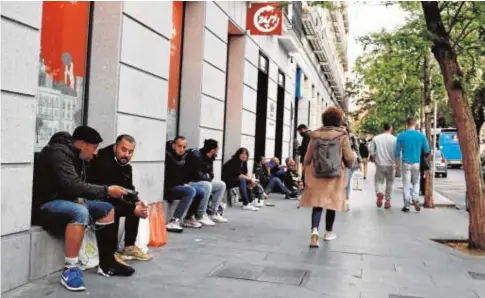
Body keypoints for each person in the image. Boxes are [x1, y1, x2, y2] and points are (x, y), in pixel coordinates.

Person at [32, 126, 134, 292]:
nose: (95, 153)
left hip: (67, 201)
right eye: (93, 148)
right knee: (80, 211)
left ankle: (107, 263)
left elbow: (84, 187)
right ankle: (70, 269)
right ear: (81, 143)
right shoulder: (59, 154)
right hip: (46, 206)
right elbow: (73, 186)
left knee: (106, 208)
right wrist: (107, 190)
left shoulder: (77, 156)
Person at [87, 134, 152, 262]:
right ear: (115, 146)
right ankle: (110, 252)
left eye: (130, 151)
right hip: (96, 198)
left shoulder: (125, 165)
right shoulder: (102, 161)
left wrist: (136, 201)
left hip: (110, 197)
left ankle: (129, 247)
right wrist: (133, 207)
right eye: (123, 150)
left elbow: (129, 188)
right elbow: (107, 192)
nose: (126, 155)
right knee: (115, 207)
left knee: (135, 205)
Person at [299, 107, 356, 248]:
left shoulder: (315, 135)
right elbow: (349, 158)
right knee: (331, 203)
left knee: (318, 203)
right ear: (338, 120)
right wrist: (349, 162)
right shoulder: (342, 136)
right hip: (334, 175)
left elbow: (307, 158)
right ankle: (329, 232)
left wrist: (306, 168)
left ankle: (314, 231)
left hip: (316, 174)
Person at [164, 136, 211, 231]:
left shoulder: (184, 157)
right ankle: (173, 221)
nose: (181, 149)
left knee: (201, 191)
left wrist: (186, 181)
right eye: (179, 146)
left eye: (184, 147)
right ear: (173, 145)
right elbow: (170, 177)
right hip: (169, 188)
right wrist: (183, 183)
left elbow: (187, 174)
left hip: (179, 185)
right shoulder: (168, 156)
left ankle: (189, 218)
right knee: (190, 190)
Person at [185, 139, 228, 224]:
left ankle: (213, 212)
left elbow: (211, 175)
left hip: (202, 181)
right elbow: (196, 175)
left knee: (221, 185)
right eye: (217, 149)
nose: (218, 151)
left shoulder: (210, 158)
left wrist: (206, 177)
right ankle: (201, 215)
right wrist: (206, 177)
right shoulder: (196, 156)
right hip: (191, 182)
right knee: (207, 185)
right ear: (212, 150)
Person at [395, 117, 431, 212]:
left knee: (406, 184)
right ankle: (415, 198)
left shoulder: (401, 136)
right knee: (416, 182)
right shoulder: (421, 136)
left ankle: (406, 205)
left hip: (406, 163)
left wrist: (397, 165)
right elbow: (427, 151)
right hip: (416, 163)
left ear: (407, 124)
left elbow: (397, 152)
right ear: (415, 124)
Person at [370, 123, 397, 209]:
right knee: (389, 182)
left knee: (378, 180)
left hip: (380, 163)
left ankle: (379, 192)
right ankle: (388, 201)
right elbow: (397, 153)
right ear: (391, 128)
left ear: (383, 128)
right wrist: (397, 164)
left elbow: (372, 152)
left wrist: (375, 160)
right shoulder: (395, 139)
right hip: (391, 164)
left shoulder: (376, 138)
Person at [343, 123, 362, 209]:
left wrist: (359, 161)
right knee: (342, 182)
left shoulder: (351, 137)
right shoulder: (336, 136)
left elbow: (357, 149)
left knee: (347, 181)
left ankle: (346, 200)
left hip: (351, 161)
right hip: (339, 162)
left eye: (343, 127)